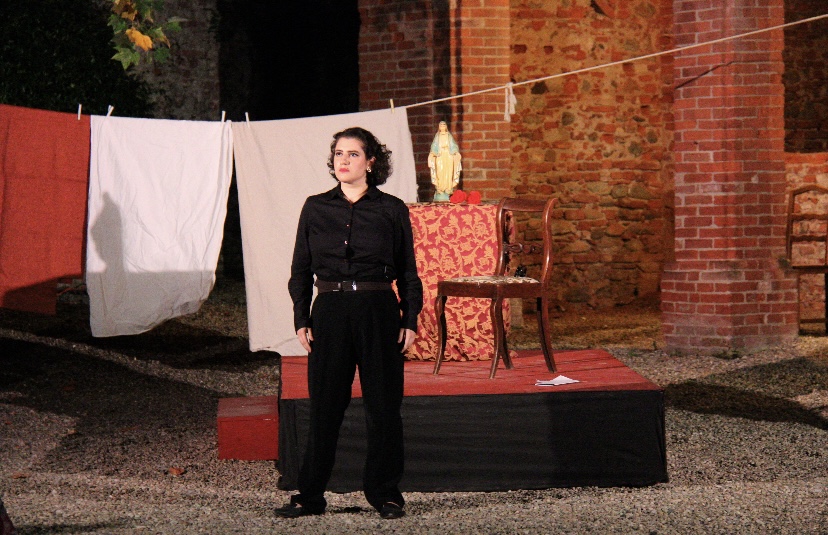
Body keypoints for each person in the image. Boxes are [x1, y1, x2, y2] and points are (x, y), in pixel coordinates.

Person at [278, 127, 423, 520]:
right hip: (330, 312)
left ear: (371, 162)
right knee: (325, 406)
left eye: (353, 154)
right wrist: (301, 318)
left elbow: (409, 272)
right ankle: (310, 496)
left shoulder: (391, 209)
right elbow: (300, 270)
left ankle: (386, 494)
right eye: (339, 153)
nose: (343, 160)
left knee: (384, 406)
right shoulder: (315, 208)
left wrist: (410, 319)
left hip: (378, 310)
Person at [427, 120, 462, 201]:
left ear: (446, 127)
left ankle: (447, 188)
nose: (442, 126)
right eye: (441, 125)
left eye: (444, 125)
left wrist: (454, 151)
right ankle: (440, 188)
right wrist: (434, 152)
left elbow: (453, 145)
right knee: (440, 172)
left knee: (448, 172)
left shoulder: (449, 136)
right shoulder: (437, 136)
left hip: (448, 155)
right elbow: (434, 146)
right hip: (440, 156)